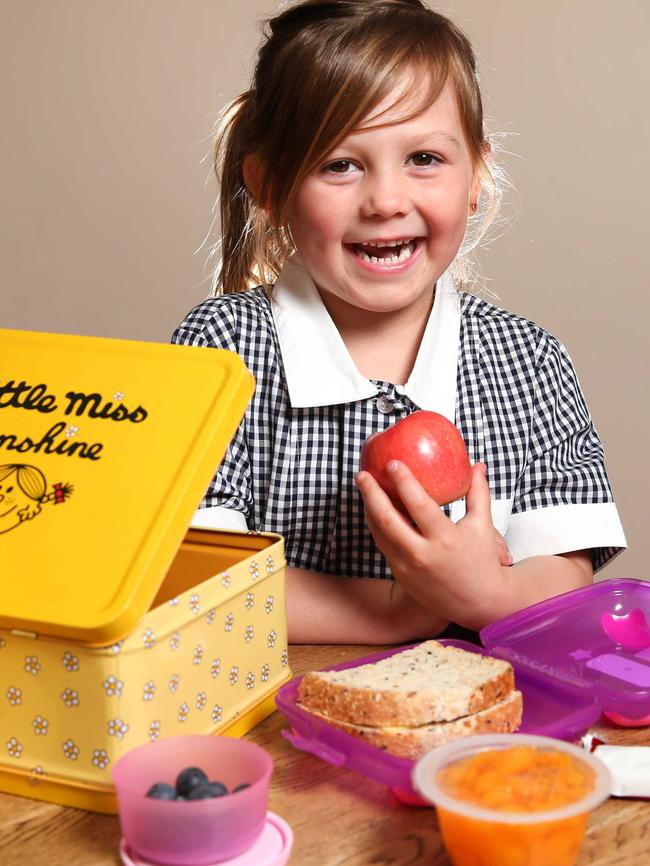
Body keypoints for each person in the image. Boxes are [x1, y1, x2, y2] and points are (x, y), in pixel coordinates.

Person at [173, 0, 626, 644]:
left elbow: (565, 570)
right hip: (273, 721)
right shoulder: (220, 352)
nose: (386, 201)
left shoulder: (529, 361)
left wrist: (488, 593)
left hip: (468, 719)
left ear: (476, 175)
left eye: (424, 159)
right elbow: (198, 578)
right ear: (269, 186)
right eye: (340, 164)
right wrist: (395, 610)